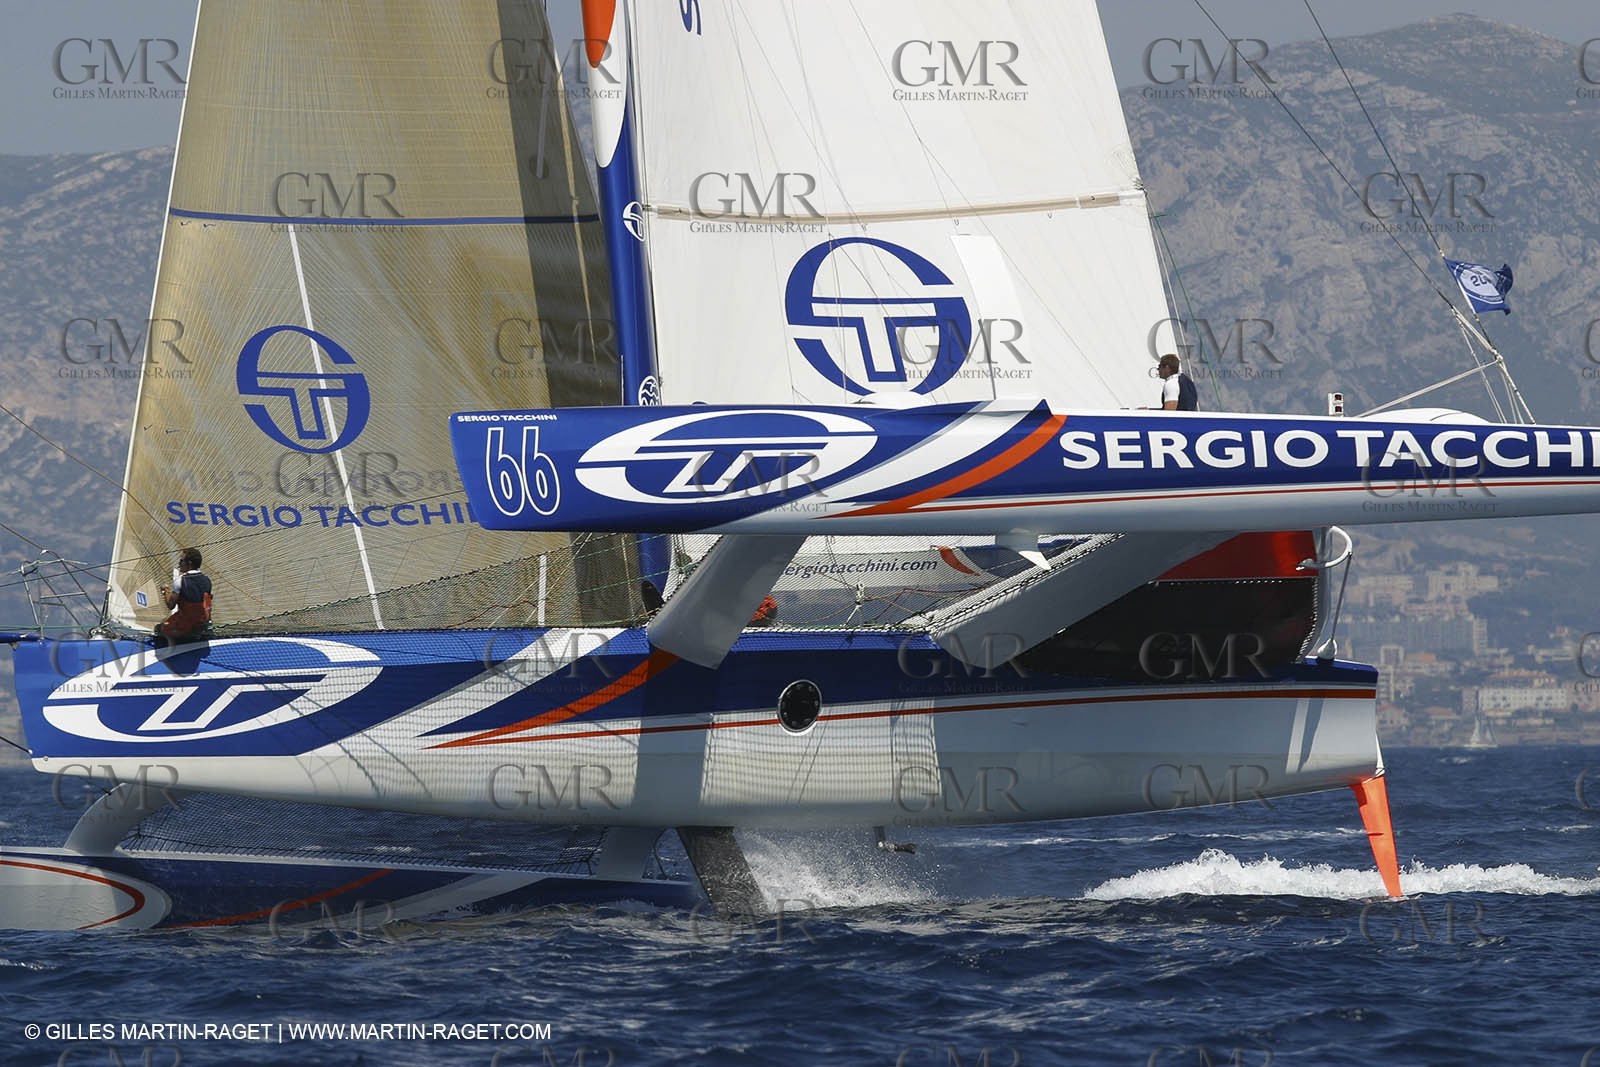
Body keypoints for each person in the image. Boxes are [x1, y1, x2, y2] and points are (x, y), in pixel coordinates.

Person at [155, 547, 213, 643]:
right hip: (202, 624)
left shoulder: (180, 581)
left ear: (189, 563)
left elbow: (170, 605)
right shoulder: (207, 580)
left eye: (181, 561)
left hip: (185, 626)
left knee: (158, 629)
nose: (179, 564)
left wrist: (165, 591)